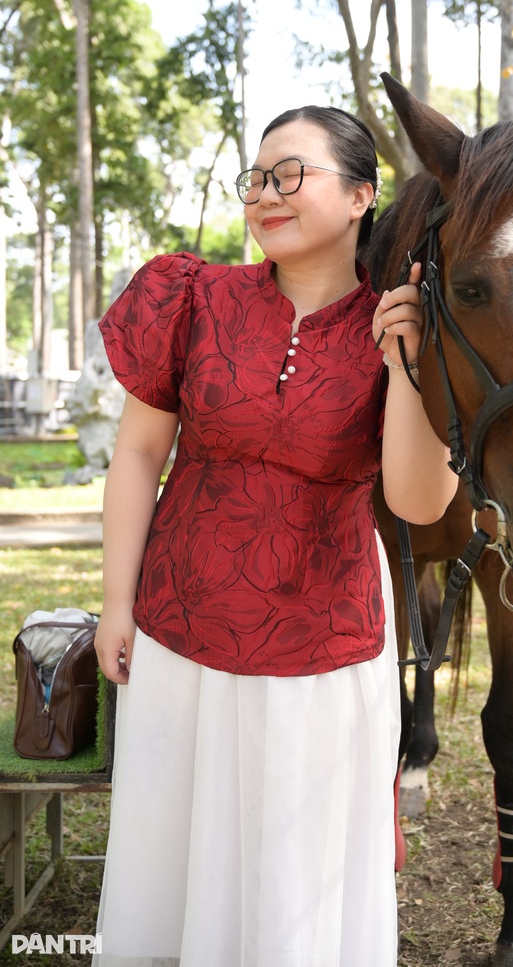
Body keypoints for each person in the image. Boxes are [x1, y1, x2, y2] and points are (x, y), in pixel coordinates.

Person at [92, 103, 457, 967]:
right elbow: (141, 454)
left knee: (296, 878)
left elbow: (415, 501)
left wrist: (407, 365)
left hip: (322, 648)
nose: (265, 193)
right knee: (172, 859)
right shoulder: (194, 297)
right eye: (257, 177)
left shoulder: (398, 325)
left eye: (290, 173)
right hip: (178, 632)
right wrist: (116, 604)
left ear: (363, 193)